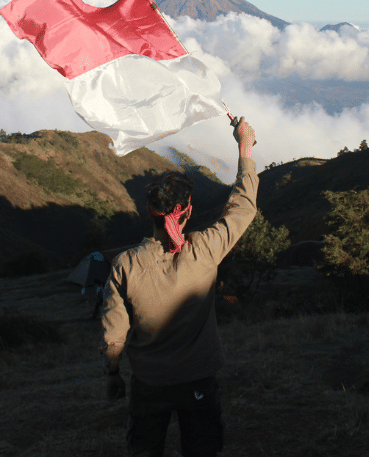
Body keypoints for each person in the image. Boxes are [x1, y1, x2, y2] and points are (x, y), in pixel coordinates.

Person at [101, 116, 258, 457]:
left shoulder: (125, 265)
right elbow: (242, 207)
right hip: (198, 379)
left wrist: (113, 374)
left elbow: (114, 334)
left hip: (149, 383)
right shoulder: (206, 249)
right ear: (188, 210)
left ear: (149, 211)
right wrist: (244, 147)